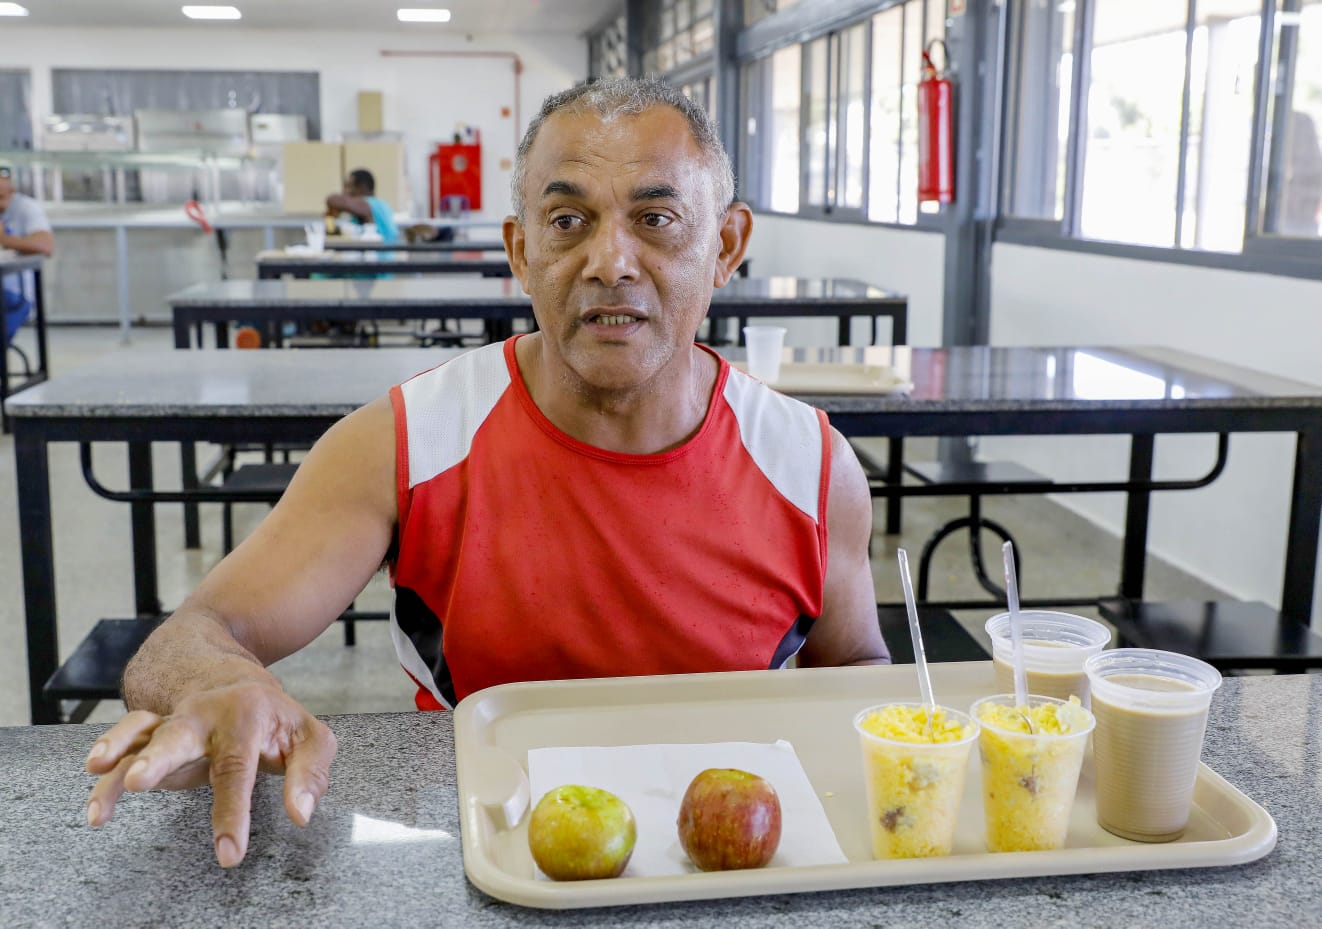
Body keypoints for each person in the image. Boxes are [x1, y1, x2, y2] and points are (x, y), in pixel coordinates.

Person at [84, 77, 891, 868]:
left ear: (725, 246)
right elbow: (190, 635)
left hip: (733, 873)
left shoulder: (810, 466)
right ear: (522, 252)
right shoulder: (407, 442)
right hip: (477, 855)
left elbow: (858, 673)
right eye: (568, 221)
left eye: (656, 219)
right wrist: (223, 681)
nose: (610, 261)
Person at [1, 161, 55, 343]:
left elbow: (46, 246)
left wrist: (4, 239)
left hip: (13, 292)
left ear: (11, 191)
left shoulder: (26, 208)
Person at [325, 168, 402, 244]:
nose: (345, 191)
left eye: (348, 186)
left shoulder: (372, 204)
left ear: (362, 187)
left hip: (380, 251)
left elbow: (333, 200)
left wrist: (342, 200)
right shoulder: (381, 204)